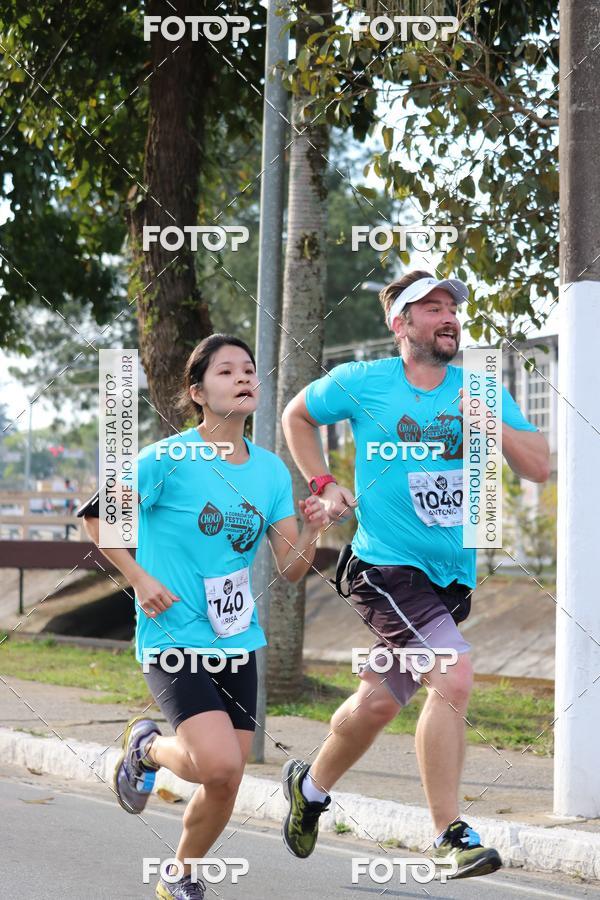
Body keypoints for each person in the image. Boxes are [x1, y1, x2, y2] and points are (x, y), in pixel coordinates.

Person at [279, 271, 551, 879]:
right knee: (453, 675)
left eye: (451, 306)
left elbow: (537, 466)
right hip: (383, 568)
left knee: (377, 702)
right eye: (431, 308)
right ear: (399, 323)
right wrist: (324, 483)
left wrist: (490, 423)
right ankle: (449, 833)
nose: (448, 316)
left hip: (450, 579)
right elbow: (297, 415)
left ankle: (310, 788)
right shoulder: (363, 381)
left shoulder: (479, 387)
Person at [78, 334, 327, 900]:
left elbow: (291, 569)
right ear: (197, 392)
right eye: (226, 371)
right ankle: (146, 748)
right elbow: (95, 517)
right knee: (215, 765)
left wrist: (314, 529)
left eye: (249, 370)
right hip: (172, 635)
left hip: (235, 637)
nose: (243, 378)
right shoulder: (167, 459)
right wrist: (139, 579)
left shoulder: (270, 472)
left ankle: (180, 873)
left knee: (226, 775)